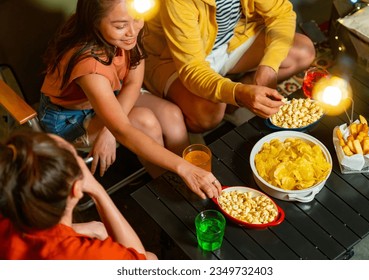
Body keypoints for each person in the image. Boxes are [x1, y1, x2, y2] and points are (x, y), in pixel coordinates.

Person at [38, 0, 221, 199]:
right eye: (120, 26)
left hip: (111, 93)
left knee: (171, 114)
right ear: (95, 22)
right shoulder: (90, 66)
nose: (132, 31)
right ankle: (173, 192)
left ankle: (196, 182)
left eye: (137, 19)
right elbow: (122, 129)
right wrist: (183, 168)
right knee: (145, 121)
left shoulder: (127, 31)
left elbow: (133, 82)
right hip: (71, 117)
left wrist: (108, 131)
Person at [143, 0, 316, 133]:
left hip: (231, 39)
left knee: (303, 51)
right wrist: (237, 93)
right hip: (173, 58)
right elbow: (192, 68)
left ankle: (236, 105)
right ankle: (196, 113)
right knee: (209, 115)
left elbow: (281, 14)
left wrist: (269, 66)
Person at [0, 131, 157, 260]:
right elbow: (139, 264)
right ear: (76, 189)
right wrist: (97, 190)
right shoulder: (82, 254)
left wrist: (88, 229)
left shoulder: (10, 205)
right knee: (151, 259)